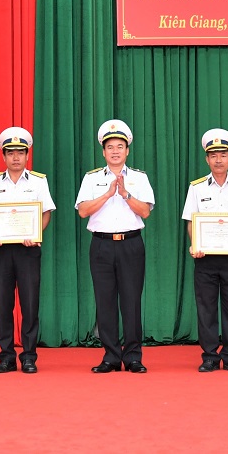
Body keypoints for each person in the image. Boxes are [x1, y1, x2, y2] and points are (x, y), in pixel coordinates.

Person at [76, 119, 155, 373]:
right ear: (103, 152)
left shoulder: (139, 178)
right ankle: (110, 356)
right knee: (105, 301)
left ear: (127, 150)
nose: (115, 151)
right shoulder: (91, 179)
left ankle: (133, 357)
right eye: (110, 147)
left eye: (120, 146)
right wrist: (108, 194)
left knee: (131, 302)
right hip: (101, 245)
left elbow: (145, 211)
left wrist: (125, 194)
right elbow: (83, 211)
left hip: (131, 244)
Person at [0, 127, 56, 374]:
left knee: (30, 305)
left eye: (20, 153)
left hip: (28, 251)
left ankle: (29, 356)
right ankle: (6, 357)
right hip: (1, 251)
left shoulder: (38, 181)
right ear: (3, 156)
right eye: (10, 153)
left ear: (27, 155)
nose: (15, 158)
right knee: (3, 306)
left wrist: (36, 234)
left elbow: (46, 213)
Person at [182, 128, 228, 373]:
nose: (218, 160)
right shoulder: (197, 188)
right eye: (213, 155)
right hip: (205, 259)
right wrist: (196, 245)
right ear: (207, 159)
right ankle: (209, 357)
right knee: (206, 310)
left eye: (223, 155)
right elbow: (191, 222)